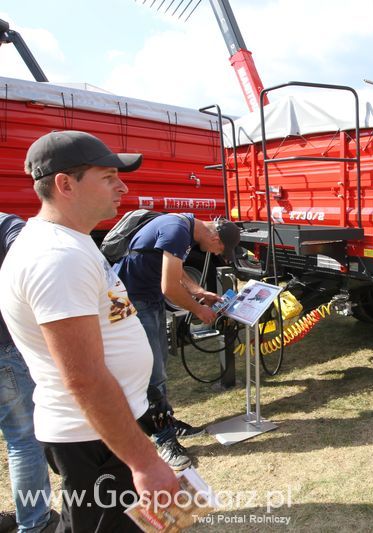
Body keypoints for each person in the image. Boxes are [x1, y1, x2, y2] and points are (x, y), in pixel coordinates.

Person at [0, 131, 179, 531]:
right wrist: (146, 462)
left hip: (102, 432)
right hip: (91, 439)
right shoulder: (56, 258)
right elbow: (83, 377)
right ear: (65, 184)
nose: (123, 186)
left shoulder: (69, 242)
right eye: (108, 176)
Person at [113, 213, 240, 470]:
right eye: (220, 249)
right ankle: (165, 440)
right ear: (215, 237)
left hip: (146, 299)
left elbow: (174, 269)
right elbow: (169, 287)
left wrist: (198, 292)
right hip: (135, 302)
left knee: (158, 367)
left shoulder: (184, 227)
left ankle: (165, 422)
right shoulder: (177, 229)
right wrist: (198, 310)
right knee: (151, 372)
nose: (217, 254)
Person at [0, 214, 58, 533]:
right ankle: (36, 522)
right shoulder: (7, 225)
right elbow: (29, 257)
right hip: (3, 351)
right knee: (23, 439)